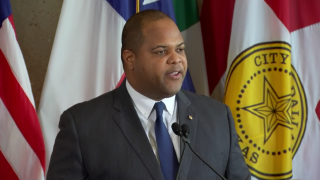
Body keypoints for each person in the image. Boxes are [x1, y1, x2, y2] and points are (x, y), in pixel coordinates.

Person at [47, 10, 251, 180]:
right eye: (161, 52)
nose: (176, 59)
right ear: (130, 59)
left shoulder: (217, 117)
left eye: (180, 49)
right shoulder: (83, 125)